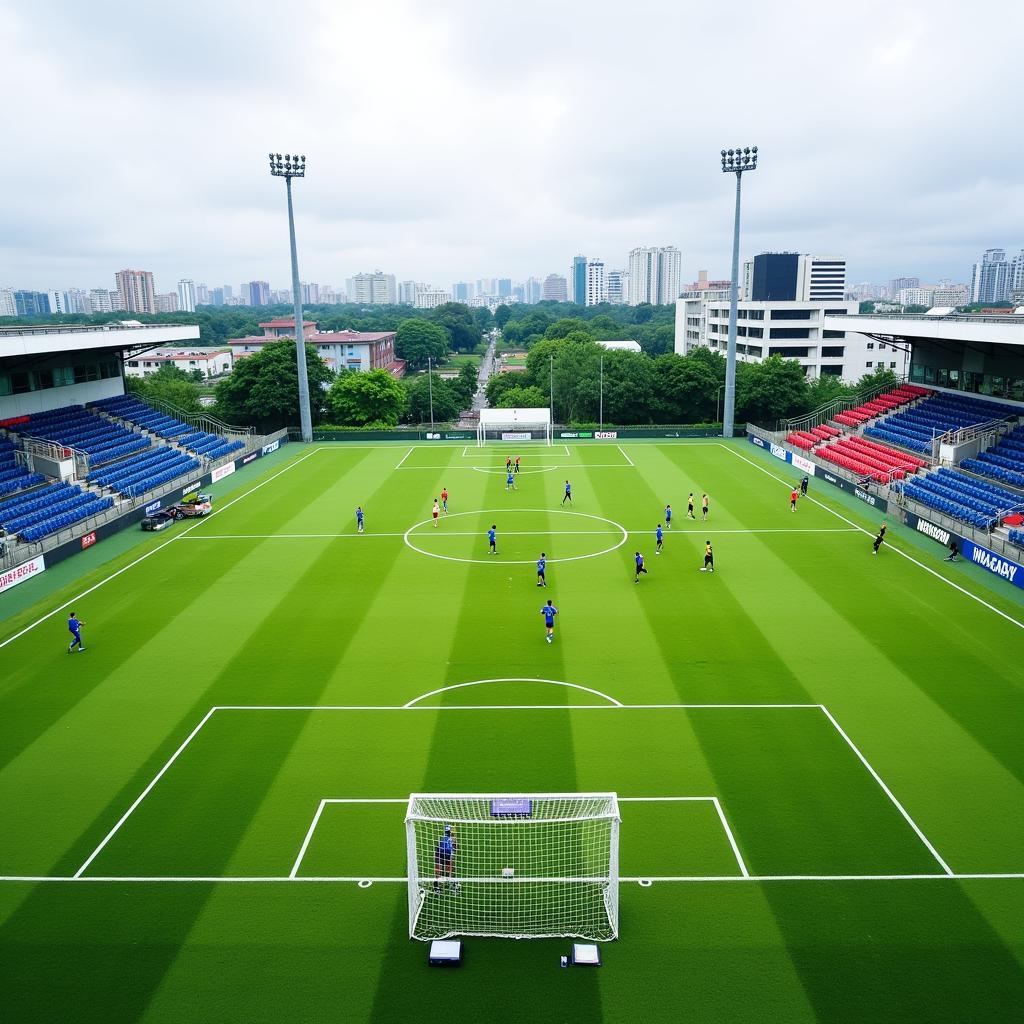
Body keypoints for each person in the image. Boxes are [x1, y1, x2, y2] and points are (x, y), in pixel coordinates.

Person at [434, 824, 458, 893]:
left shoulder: (450, 839)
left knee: (449, 869)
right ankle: (437, 885)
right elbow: (455, 848)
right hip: (440, 854)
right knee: (440, 869)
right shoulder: (446, 839)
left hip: (446, 854)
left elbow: (455, 847)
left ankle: (450, 882)